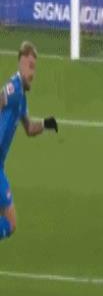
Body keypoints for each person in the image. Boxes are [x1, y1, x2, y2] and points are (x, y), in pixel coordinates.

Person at [0, 41, 58, 239]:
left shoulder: (22, 98)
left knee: (6, 220)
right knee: (10, 223)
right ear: (20, 64)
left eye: (34, 68)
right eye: (30, 66)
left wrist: (46, 124)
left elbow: (29, 128)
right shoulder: (14, 89)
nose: (32, 73)